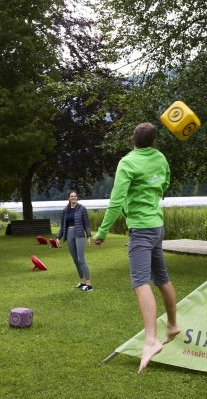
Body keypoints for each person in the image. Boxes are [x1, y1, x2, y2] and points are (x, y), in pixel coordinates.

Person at [93, 122, 180, 374]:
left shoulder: (127, 162)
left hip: (141, 231)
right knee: (161, 277)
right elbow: (164, 184)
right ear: (153, 142)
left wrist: (102, 232)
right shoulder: (161, 158)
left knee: (140, 282)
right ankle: (172, 325)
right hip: (157, 226)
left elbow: (116, 200)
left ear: (133, 139)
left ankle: (151, 341)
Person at [56, 190, 93, 291]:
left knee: (81, 259)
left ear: (77, 197)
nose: (73, 197)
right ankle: (82, 281)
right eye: (71, 196)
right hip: (69, 234)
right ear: (68, 198)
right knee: (75, 260)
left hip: (79, 234)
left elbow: (86, 224)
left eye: (75, 196)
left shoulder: (82, 209)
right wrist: (58, 237)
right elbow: (62, 226)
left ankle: (89, 284)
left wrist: (89, 236)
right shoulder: (65, 210)